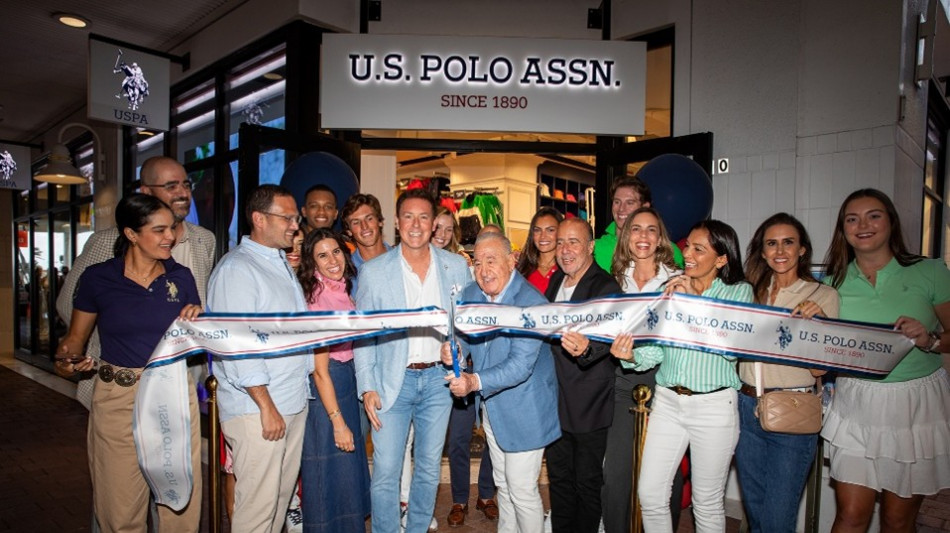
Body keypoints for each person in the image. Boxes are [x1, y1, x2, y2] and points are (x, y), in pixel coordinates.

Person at [55, 193, 203, 532]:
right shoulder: (98, 278)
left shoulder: (181, 278)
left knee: (179, 505)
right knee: (119, 506)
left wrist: (198, 321)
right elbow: (73, 343)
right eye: (159, 230)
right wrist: (67, 363)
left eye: (172, 228)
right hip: (118, 398)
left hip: (172, 395)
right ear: (131, 234)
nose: (170, 237)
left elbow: (196, 340)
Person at [820, 189, 950, 533]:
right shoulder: (832, 284)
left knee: (897, 519)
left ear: (891, 221)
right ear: (843, 229)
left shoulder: (930, 271)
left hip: (915, 406)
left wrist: (930, 339)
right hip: (856, 401)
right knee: (850, 516)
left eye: (873, 216)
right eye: (852, 219)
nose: (863, 225)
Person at [611, 219, 752, 533]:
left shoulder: (739, 292)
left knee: (706, 503)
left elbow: (731, 349)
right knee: (650, 493)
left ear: (721, 259)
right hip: (667, 402)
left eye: (699, 249)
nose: (687, 254)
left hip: (714, 407)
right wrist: (630, 356)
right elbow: (656, 351)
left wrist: (693, 304)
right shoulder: (669, 289)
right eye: (688, 246)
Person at [353, 188, 471, 533]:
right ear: (396, 222)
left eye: (423, 217)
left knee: (429, 468)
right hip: (393, 381)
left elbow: (466, 324)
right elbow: (364, 333)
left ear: (434, 223)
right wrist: (367, 386)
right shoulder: (374, 272)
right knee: (386, 471)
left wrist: (458, 350)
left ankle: (417, 527)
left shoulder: (455, 267)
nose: (416, 225)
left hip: (438, 382)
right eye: (408, 217)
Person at [57, 156, 216, 410]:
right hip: (118, 376)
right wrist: (116, 337)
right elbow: (70, 305)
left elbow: (198, 306)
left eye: (186, 185)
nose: (183, 193)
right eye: (171, 186)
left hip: (178, 377)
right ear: (146, 192)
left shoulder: (204, 240)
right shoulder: (106, 242)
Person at [207, 184, 312, 533]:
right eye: (287, 218)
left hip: (290, 400)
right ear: (259, 219)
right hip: (259, 409)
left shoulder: (277, 261)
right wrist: (266, 405)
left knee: (278, 501)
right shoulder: (238, 268)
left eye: (296, 218)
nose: (295, 226)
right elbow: (237, 344)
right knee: (257, 510)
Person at [441, 232, 561, 533]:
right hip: (492, 407)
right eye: (478, 262)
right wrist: (455, 351)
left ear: (511, 261)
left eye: (491, 260)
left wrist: (473, 381)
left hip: (526, 410)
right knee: (503, 484)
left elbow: (520, 366)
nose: (483, 270)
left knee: (521, 490)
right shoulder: (471, 293)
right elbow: (463, 337)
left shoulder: (531, 304)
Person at [734, 213, 840, 533]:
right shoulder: (748, 293)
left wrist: (819, 326)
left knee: (777, 520)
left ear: (802, 249)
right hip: (745, 406)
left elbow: (819, 368)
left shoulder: (823, 296)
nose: (780, 251)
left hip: (792, 410)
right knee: (756, 514)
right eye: (772, 243)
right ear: (762, 251)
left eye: (788, 242)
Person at [602, 207, 685, 533]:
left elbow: (673, 341)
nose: (643, 236)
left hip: (663, 383)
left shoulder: (677, 281)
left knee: (662, 477)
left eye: (651, 229)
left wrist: (634, 355)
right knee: (616, 473)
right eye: (636, 229)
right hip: (621, 381)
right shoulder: (614, 280)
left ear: (660, 238)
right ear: (626, 236)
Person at [544, 218, 621, 533]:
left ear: (590, 247)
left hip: (589, 401)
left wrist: (588, 349)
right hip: (555, 400)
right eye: (560, 242)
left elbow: (610, 334)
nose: (565, 249)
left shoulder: (605, 286)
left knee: (586, 483)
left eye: (573, 242)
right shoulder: (555, 281)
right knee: (559, 479)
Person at [297, 228, 371, 533]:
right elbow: (319, 370)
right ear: (312, 262)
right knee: (328, 475)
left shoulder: (342, 288)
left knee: (345, 473)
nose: (333, 260)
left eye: (336, 252)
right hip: (327, 391)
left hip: (346, 380)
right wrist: (337, 421)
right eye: (323, 255)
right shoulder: (318, 298)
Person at [431, 206, 496, 527]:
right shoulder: (448, 270)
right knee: (458, 438)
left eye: (448, 228)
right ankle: (459, 499)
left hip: (489, 369)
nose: (442, 234)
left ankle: (486, 494)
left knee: (494, 436)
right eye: (437, 227)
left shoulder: (467, 268)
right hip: (456, 366)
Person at [593, 176, 682, 273]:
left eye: (630, 203)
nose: (621, 209)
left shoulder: (670, 251)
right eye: (617, 202)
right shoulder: (595, 248)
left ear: (645, 207)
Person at [516, 207, 563, 294]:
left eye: (550, 230)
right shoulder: (522, 268)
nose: (543, 236)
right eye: (537, 230)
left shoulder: (567, 268)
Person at [341, 193, 390, 269]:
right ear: (349, 231)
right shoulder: (348, 270)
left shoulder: (402, 259)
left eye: (369, 219)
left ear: (380, 221)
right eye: (356, 222)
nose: (364, 226)